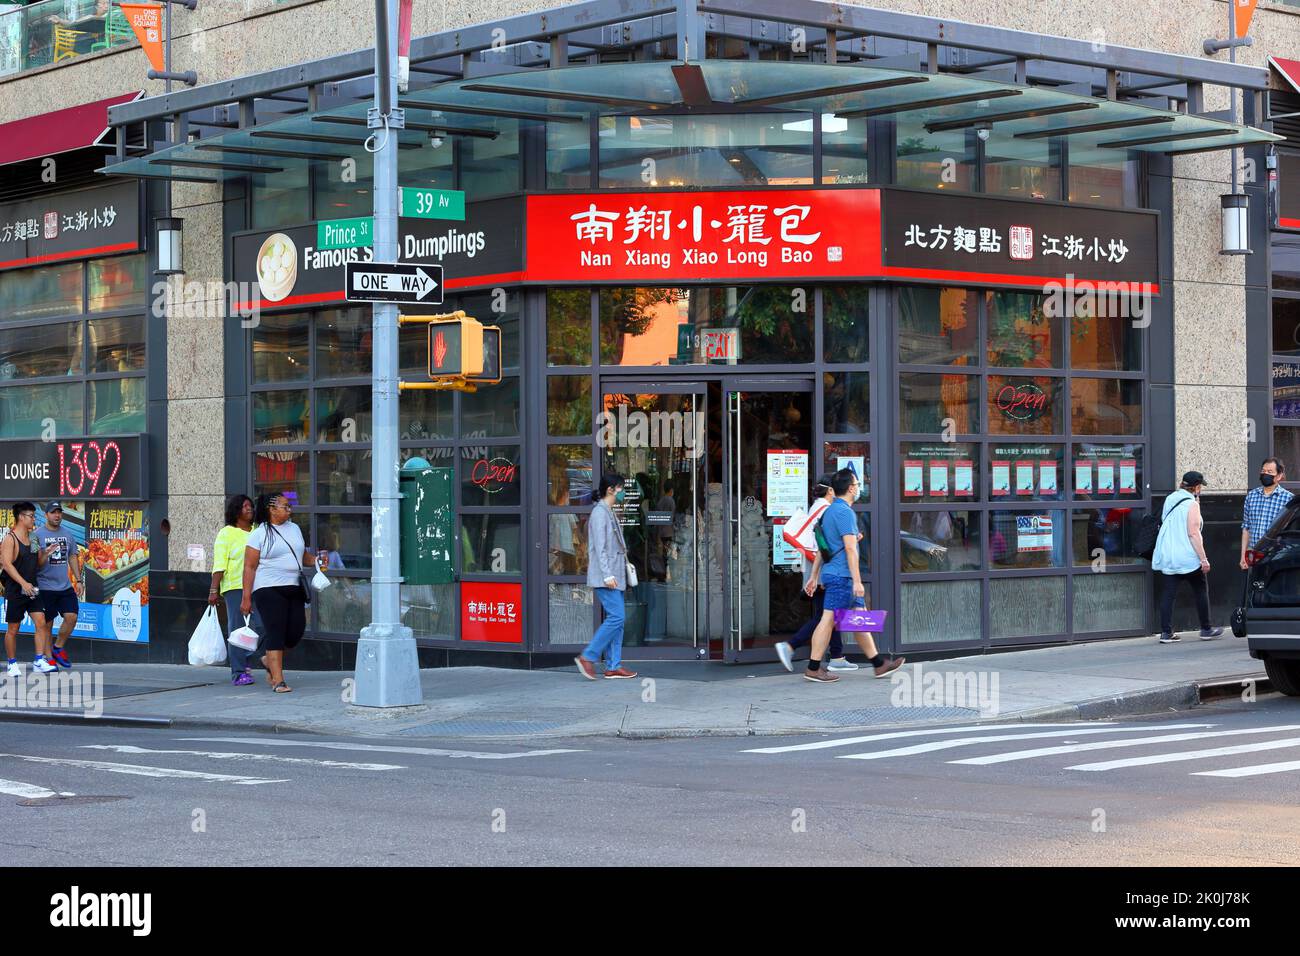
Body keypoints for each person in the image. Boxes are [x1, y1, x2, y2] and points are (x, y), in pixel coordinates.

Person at [804, 469, 905, 682]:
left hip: (837, 573)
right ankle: (813, 668)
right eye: (857, 484)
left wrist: (813, 576)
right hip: (843, 576)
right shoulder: (844, 513)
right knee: (828, 619)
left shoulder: (830, 511)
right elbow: (849, 549)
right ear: (850, 488)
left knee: (859, 617)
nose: (859, 487)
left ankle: (879, 664)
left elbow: (825, 548)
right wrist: (857, 581)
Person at [240, 494, 324, 693]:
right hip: (267, 588)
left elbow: (301, 555)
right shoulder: (259, 534)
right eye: (285, 506)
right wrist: (246, 597)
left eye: (289, 506)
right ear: (272, 509)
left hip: (294, 586)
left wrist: (316, 561)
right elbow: (249, 567)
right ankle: (278, 681)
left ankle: (268, 659)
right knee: (275, 631)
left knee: (295, 631)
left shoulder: (294, 529)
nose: (289, 509)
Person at [774, 475, 855, 673]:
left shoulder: (816, 508)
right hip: (823, 571)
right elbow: (827, 545)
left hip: (817, 570)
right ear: (830, 491)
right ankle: (791, 646)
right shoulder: (826, 509)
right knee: (824, 616)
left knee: (831, 614)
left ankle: (837, 656)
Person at [575, 473, 637, 680]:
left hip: (614, 575)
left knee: (616, 620)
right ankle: (588, 656)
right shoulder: (600, 513)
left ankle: (613, 665)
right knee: (618, 617)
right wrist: (608, 575)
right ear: (611, 489)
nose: (622, 492)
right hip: (607, 576)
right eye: (620, 488)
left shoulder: (607, 512)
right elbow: (599, 549)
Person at [1152, 471, 1223, 643]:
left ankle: (1166, 633)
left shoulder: (1170, 498)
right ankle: (1206, 629)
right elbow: (1193, 533)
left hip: (1169, 554)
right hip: (1188, 556)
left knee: (1168, 594)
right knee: (1200, 590)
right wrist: (1203, 559)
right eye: (1200, 487)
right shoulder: (1192, 504)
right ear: (1196, 487)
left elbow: (1166, 521)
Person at [210, 494, 264, 686]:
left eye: (250, 505)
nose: (249, 509)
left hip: (259, 585)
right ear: (235, 511)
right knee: (237, 629)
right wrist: (214, 590)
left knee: (261, 626)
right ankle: (239, 672)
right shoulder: (227, 533)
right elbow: (219, 563)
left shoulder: (258, 530)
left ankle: (247, 658)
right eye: (244, 506)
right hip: (234, 586)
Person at [2, 502, 56, 676]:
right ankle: (12, 663)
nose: (34, 519)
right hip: (16, 591)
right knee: (13, 629)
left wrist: (46, 554)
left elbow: (37, 564)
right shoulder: (10, 539)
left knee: (41, 623)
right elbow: (7, 565)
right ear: (21, 517)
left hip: (33, 590)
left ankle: (39, 660)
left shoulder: (33, 538)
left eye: (34, 516)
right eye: (31, 516)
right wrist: (23, 583)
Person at [33, 501, 82, 671]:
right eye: (53, 512)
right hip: (45, 586)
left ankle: (58, 647)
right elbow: (35, 564)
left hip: (65, 586)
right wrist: (46, 553)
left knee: (72, 617)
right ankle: (47, 658)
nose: (57, 515)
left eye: (59, 512)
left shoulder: (68, 534)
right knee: (47, 624)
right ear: (46, 515)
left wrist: (79, 579)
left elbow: (73, 556)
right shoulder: (37, 535)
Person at [1240, 457, 1292, 570]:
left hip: (1277, 557)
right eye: (1263, 471)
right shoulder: (1251, 496)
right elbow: (1246, 528)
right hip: (1254, 556)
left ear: (1279, 476)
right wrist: (1243, 555)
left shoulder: (1288, 499)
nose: (1265, 474)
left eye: (1269, 472)